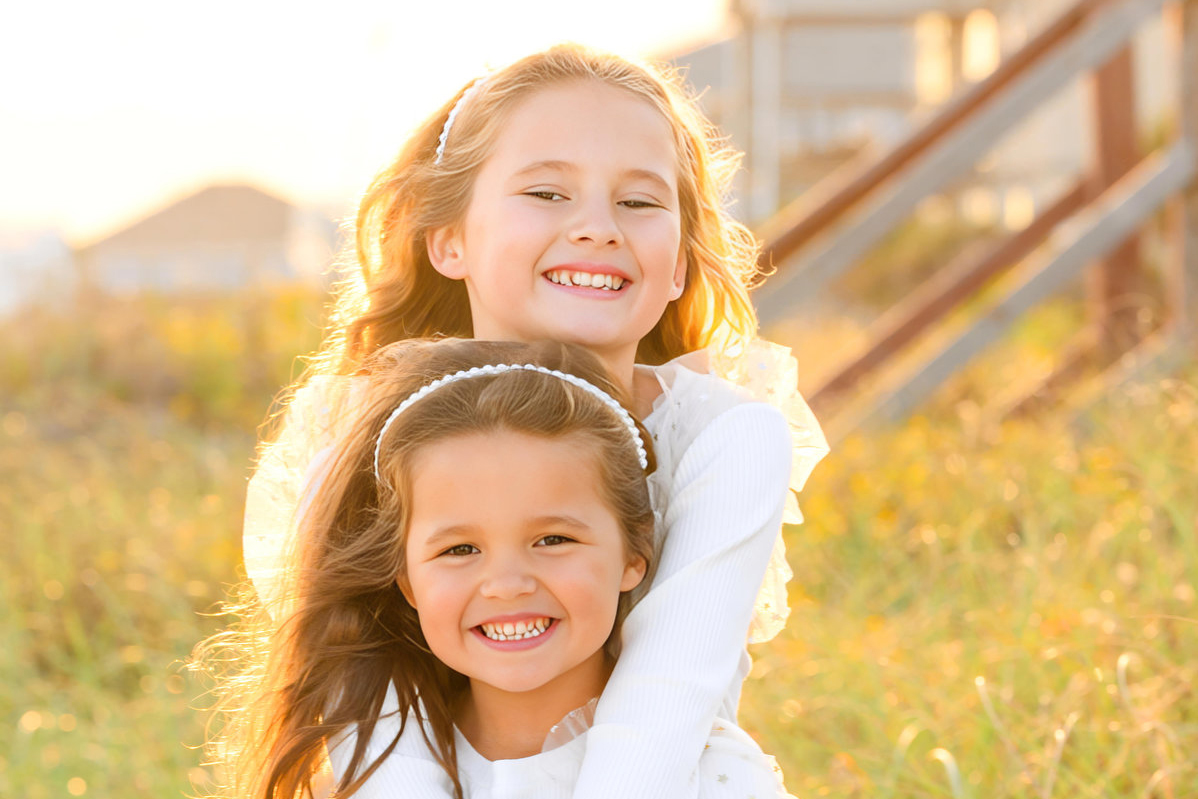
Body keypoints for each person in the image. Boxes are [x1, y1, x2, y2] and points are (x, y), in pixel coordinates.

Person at [242, 44, 828, 798]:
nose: (597, 227)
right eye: (548, 194)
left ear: (679, 261)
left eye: (639, 202)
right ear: (449, 238)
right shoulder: (361, 438)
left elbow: (667, 697)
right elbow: (371, 705)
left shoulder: (727, 438)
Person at [211, 338, 791, 799]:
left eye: (553, 539)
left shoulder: (710, 777)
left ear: (633, 556)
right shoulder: (361, 779)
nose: (508, 584)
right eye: (459, 550)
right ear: (407, 580)